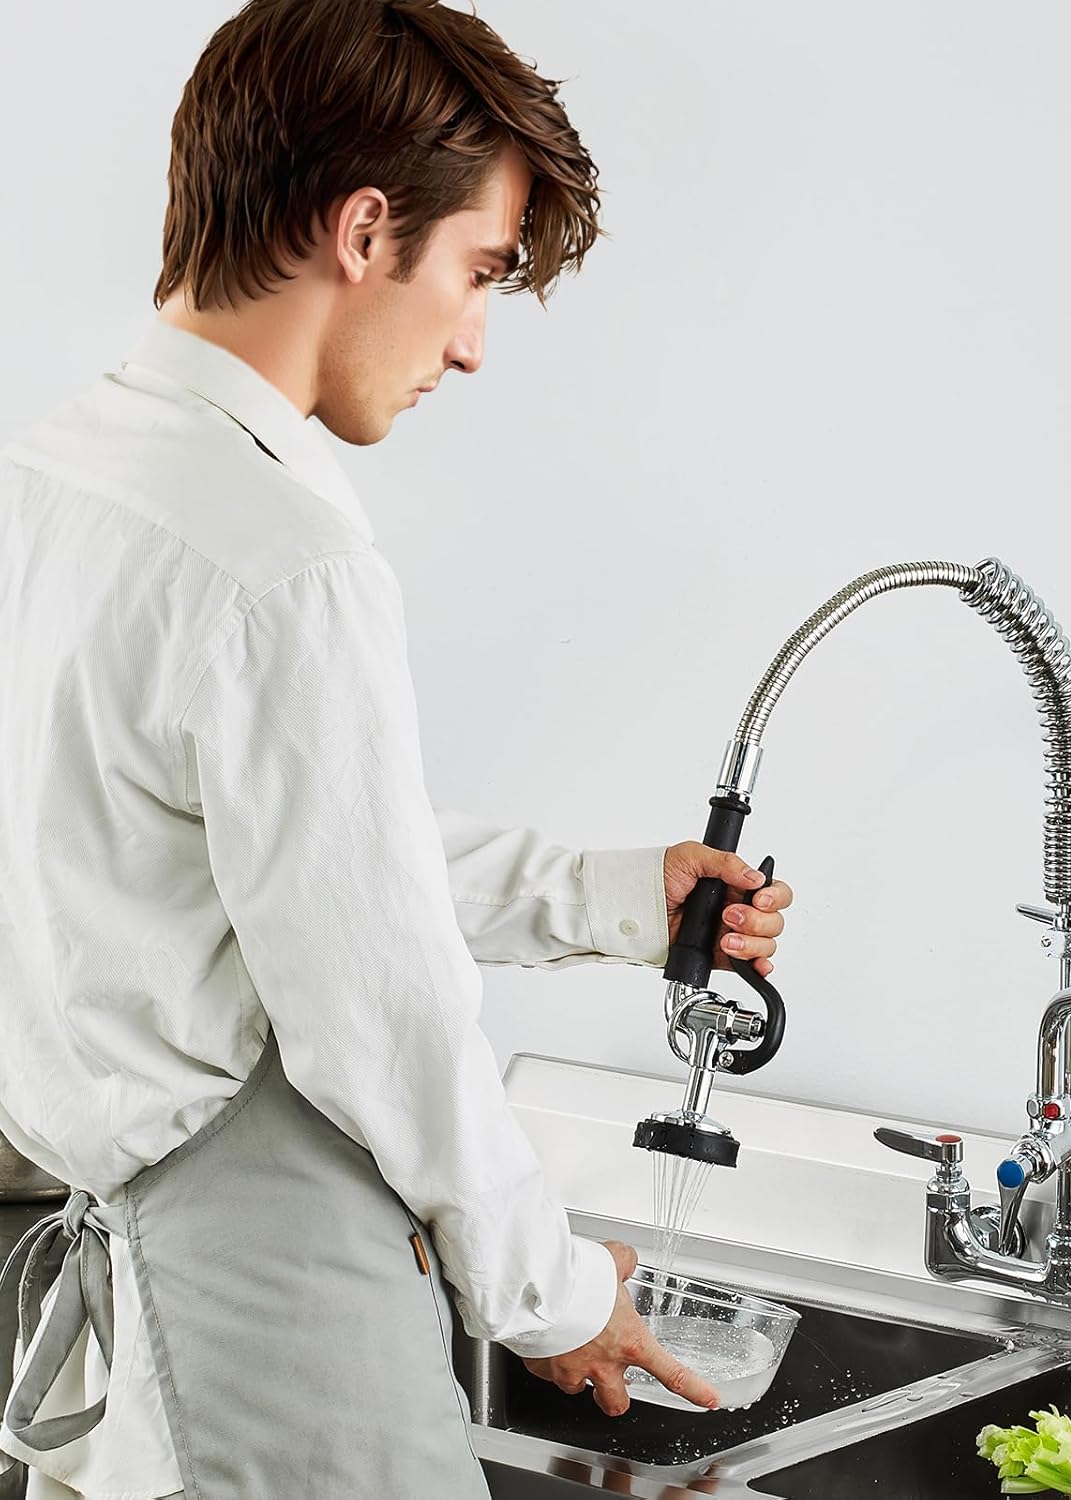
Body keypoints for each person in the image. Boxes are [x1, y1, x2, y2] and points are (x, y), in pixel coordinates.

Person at [0, 2, 794, 1495]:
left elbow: (277, 878)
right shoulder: (281, 556)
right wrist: (550, 1287)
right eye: (479, 274)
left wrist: (624, 897)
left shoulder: (51, 486)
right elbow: (382, 1008)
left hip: (131, 1329)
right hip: (274, 1334)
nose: (475, 348)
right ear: (366, 231)